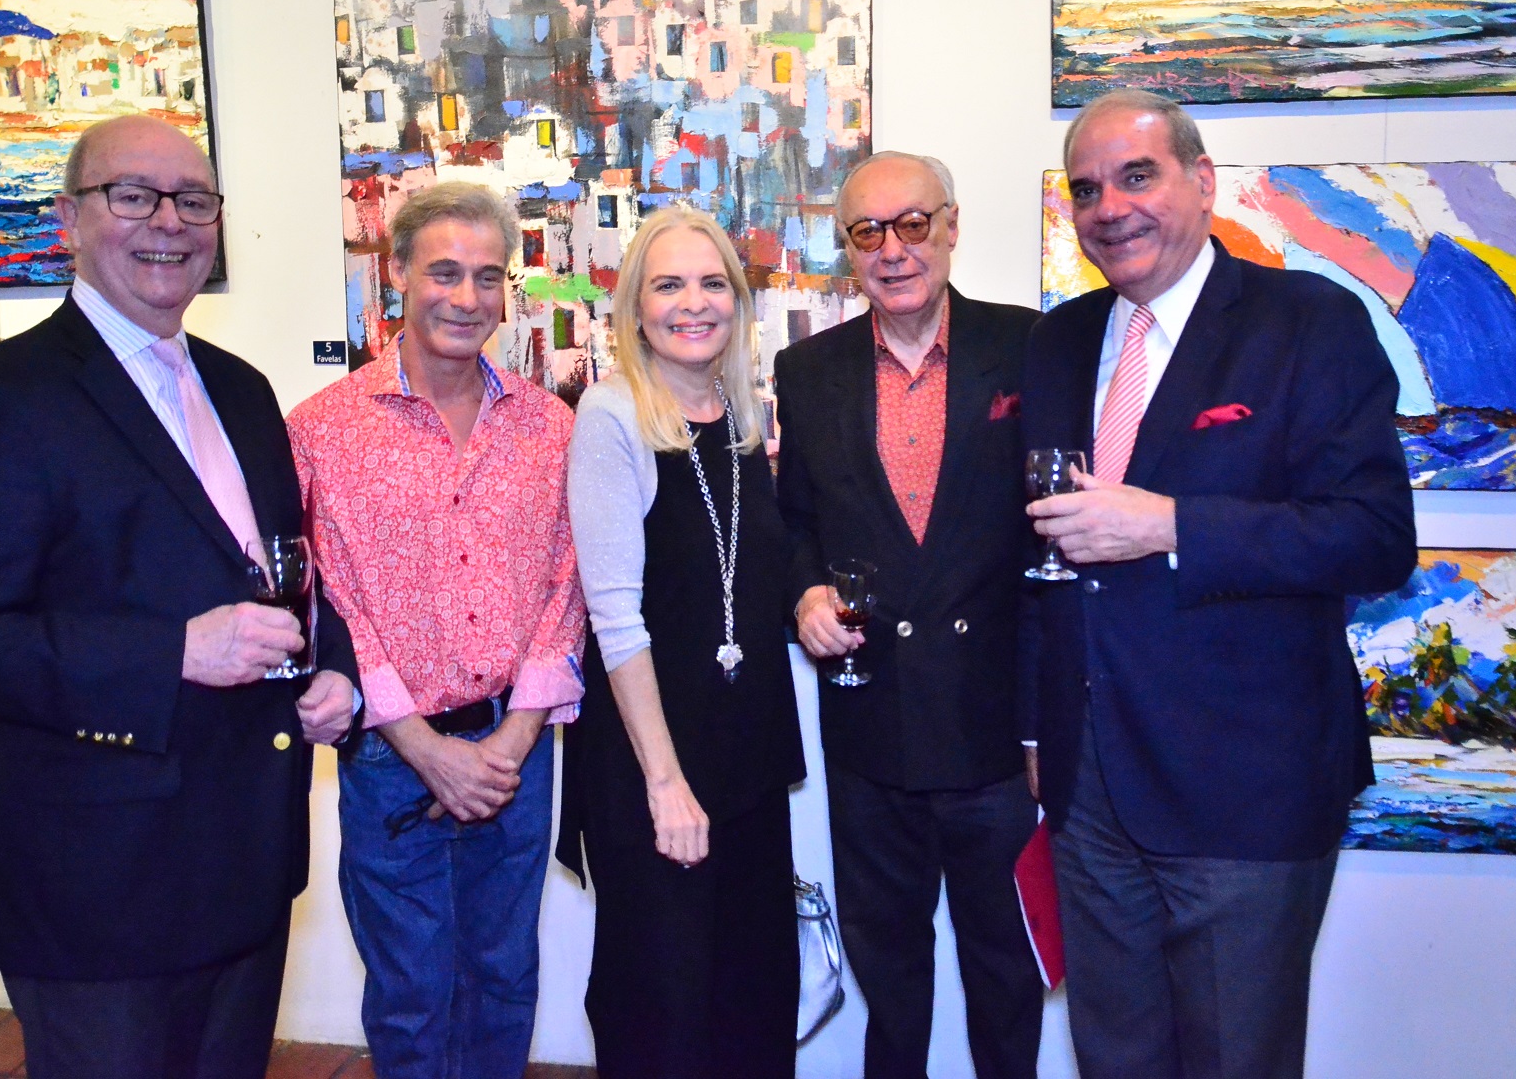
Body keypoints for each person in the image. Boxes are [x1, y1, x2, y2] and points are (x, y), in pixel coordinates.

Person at [0, 114, 359, 1079]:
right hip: (95, 889)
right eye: (133, 196)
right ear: (69, 219)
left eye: (194, 201)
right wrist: (174, 651)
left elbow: (284, 579)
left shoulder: (244, 391)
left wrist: (336, 672)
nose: (169, 222)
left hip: (246, 867)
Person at [1020, 90, 1417, 1078]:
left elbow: (1374, 540)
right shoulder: (1058, 343)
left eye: (1137, 176)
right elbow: (1037, 564)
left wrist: (1170, 525)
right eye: (1086, 189)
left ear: (1202, 182)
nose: (1110, 207)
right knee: (1114, 1059)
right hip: (1089, 792)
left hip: (1247, 791)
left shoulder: (1308, 322)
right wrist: (1035, 734)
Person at [287, 182, 585, 1079]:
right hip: (389, 759)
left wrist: (512, 742)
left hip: (515, 754)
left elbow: (566, 585)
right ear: (398, 275)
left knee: (505, 979)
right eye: (444, 272)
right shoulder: (321, 431)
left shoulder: (550, 427)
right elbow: (326, 602)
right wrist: (424, 748)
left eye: (487, 277)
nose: (466, 297)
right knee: (409, 996)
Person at [776, 152, 1043, 1078]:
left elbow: (1054, 540)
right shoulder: (807, 371)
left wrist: (1047, 724)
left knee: (1007, 977)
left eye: (913, 224)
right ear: (847, 249)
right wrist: (804, 593)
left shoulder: (1029, 346)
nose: (893, 250)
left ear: (951, 225)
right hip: (871, 730)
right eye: (867, 232)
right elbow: (795, 525)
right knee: (890, 982)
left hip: (996, 735)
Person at [558, 206, 805, 1078]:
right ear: (635, 306)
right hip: (652, 765)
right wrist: (665, 786)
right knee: (663, 1012)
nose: (693, 304)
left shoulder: (741, 415)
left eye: (711, 284)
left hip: (743, 759)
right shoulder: (612, 415)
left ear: (738, 301)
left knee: (753, 1001)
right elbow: (615, 618)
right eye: (668, 285)